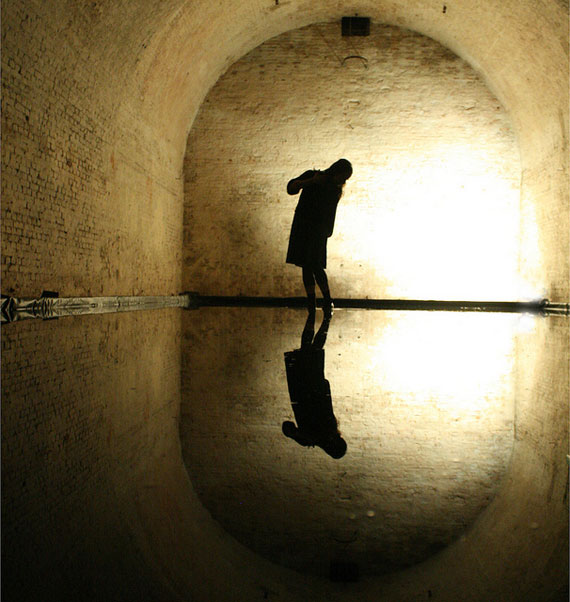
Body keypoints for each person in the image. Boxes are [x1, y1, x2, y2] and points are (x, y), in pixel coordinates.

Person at [286, 159, 353, 318]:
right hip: (307, 227)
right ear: (336, 171)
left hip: (313, 229)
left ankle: (322, 300)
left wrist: (328, 231)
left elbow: (331, 212)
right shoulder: (314, 176)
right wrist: (311, 181)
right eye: (343, 177)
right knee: (308, 265)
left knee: (314, 265)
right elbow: (291, 188)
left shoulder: (333, 188)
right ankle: (318, 301)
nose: (343, 181)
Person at [281, 312, 347, 459]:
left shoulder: (322, 432)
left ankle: (323, 317)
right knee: (307, 349)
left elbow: (327, 404)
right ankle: (319, 316)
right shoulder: (310, 438)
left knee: (312, 349)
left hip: (313, 388)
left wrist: (325, 387)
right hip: (303, 391)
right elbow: (287, 427)